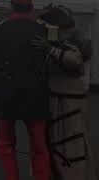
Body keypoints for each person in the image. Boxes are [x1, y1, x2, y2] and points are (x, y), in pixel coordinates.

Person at [33, 5, 99, 180]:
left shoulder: (67, 43)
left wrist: (50, 48)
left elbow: (74, 60)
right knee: (66, 144)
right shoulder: (65, 42)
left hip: (68, 102)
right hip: (64, 99)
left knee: (70, 145)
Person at [0, 0, 50, 179]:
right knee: (39, 146)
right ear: (31, 8)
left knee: (6, 143)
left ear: (11, 7)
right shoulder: (41, 30)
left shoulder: (1, 29)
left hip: (7, 93)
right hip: (35, 93)